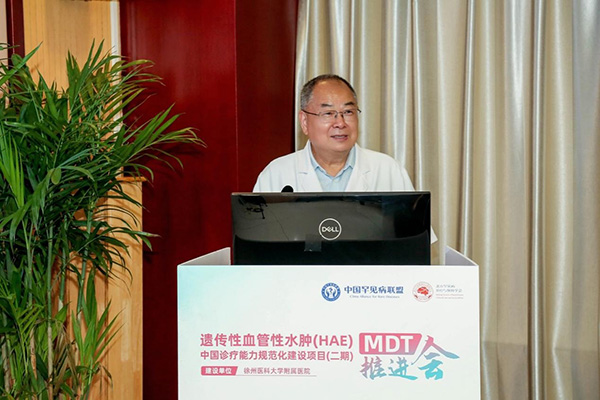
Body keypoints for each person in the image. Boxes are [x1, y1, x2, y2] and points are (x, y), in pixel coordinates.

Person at [253, 74, 416, 193]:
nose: (340, 123)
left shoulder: (388, 171)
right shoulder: (276, 175)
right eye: (328, 113)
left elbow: (414, 231)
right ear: (304, 121)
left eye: (348, 112)